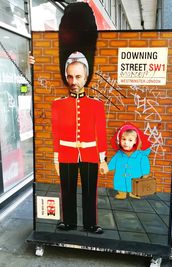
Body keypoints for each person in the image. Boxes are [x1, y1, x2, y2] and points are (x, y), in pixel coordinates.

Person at [51, 52, 108, 234]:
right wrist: (55, 158)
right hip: (67, 154)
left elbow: (101, 132)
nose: (73, 81)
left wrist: (103, 159)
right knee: (67, 189)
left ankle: (90, 224)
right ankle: (69, 222)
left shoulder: (96, 104)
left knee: (89, 191)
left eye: (77, 76)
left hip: (90, 154)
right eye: (70, 76)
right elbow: (56, 132)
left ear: (86, 77)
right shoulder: (58, 104)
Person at [108, 123, 151, 199]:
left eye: (130, 140)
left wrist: (145, 173)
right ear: (119, 140)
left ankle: (133, 193)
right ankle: (122, 193)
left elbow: (145, 164)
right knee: (120, 183)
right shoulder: (119, 154)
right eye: (123, 139)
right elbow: (113, 162)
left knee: (134, 184)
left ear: (135, 141)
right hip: (120, 177)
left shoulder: (140, 155)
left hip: (135, 177)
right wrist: (107, 168)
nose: (126, 142)